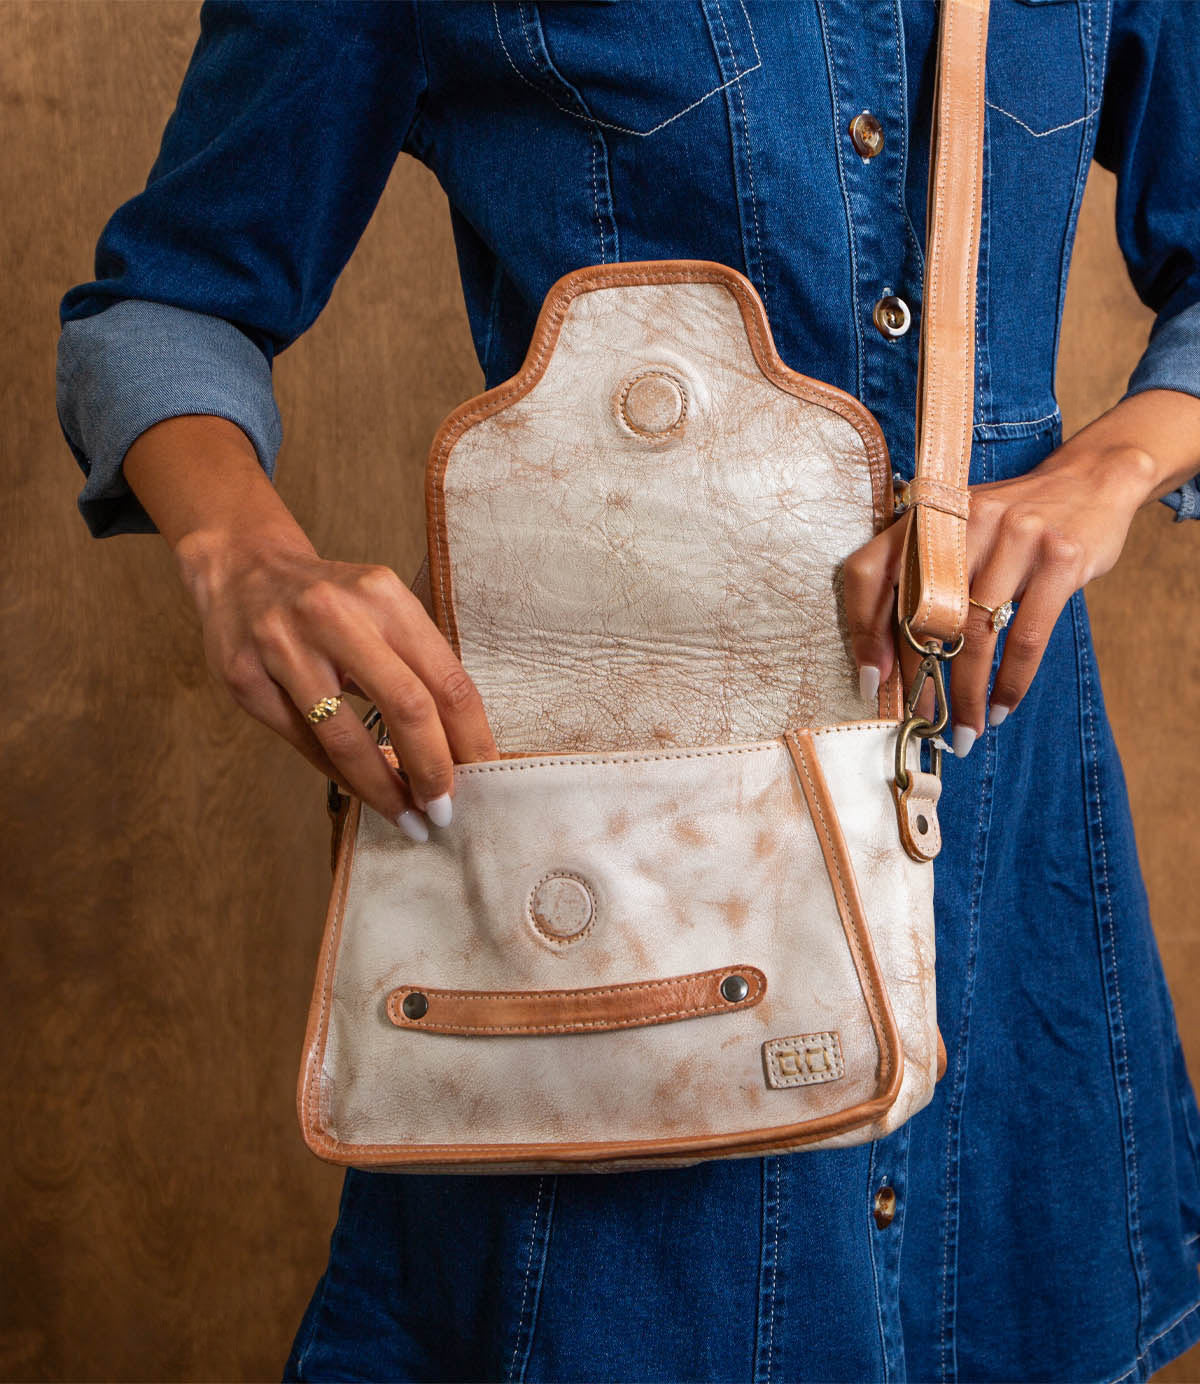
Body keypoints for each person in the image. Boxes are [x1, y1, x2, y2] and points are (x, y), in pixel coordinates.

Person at [55, 2, 1200, 1380]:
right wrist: (244, 557)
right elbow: (167, 298)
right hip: (625, 896)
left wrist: (1118, 461)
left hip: (1005, 866)